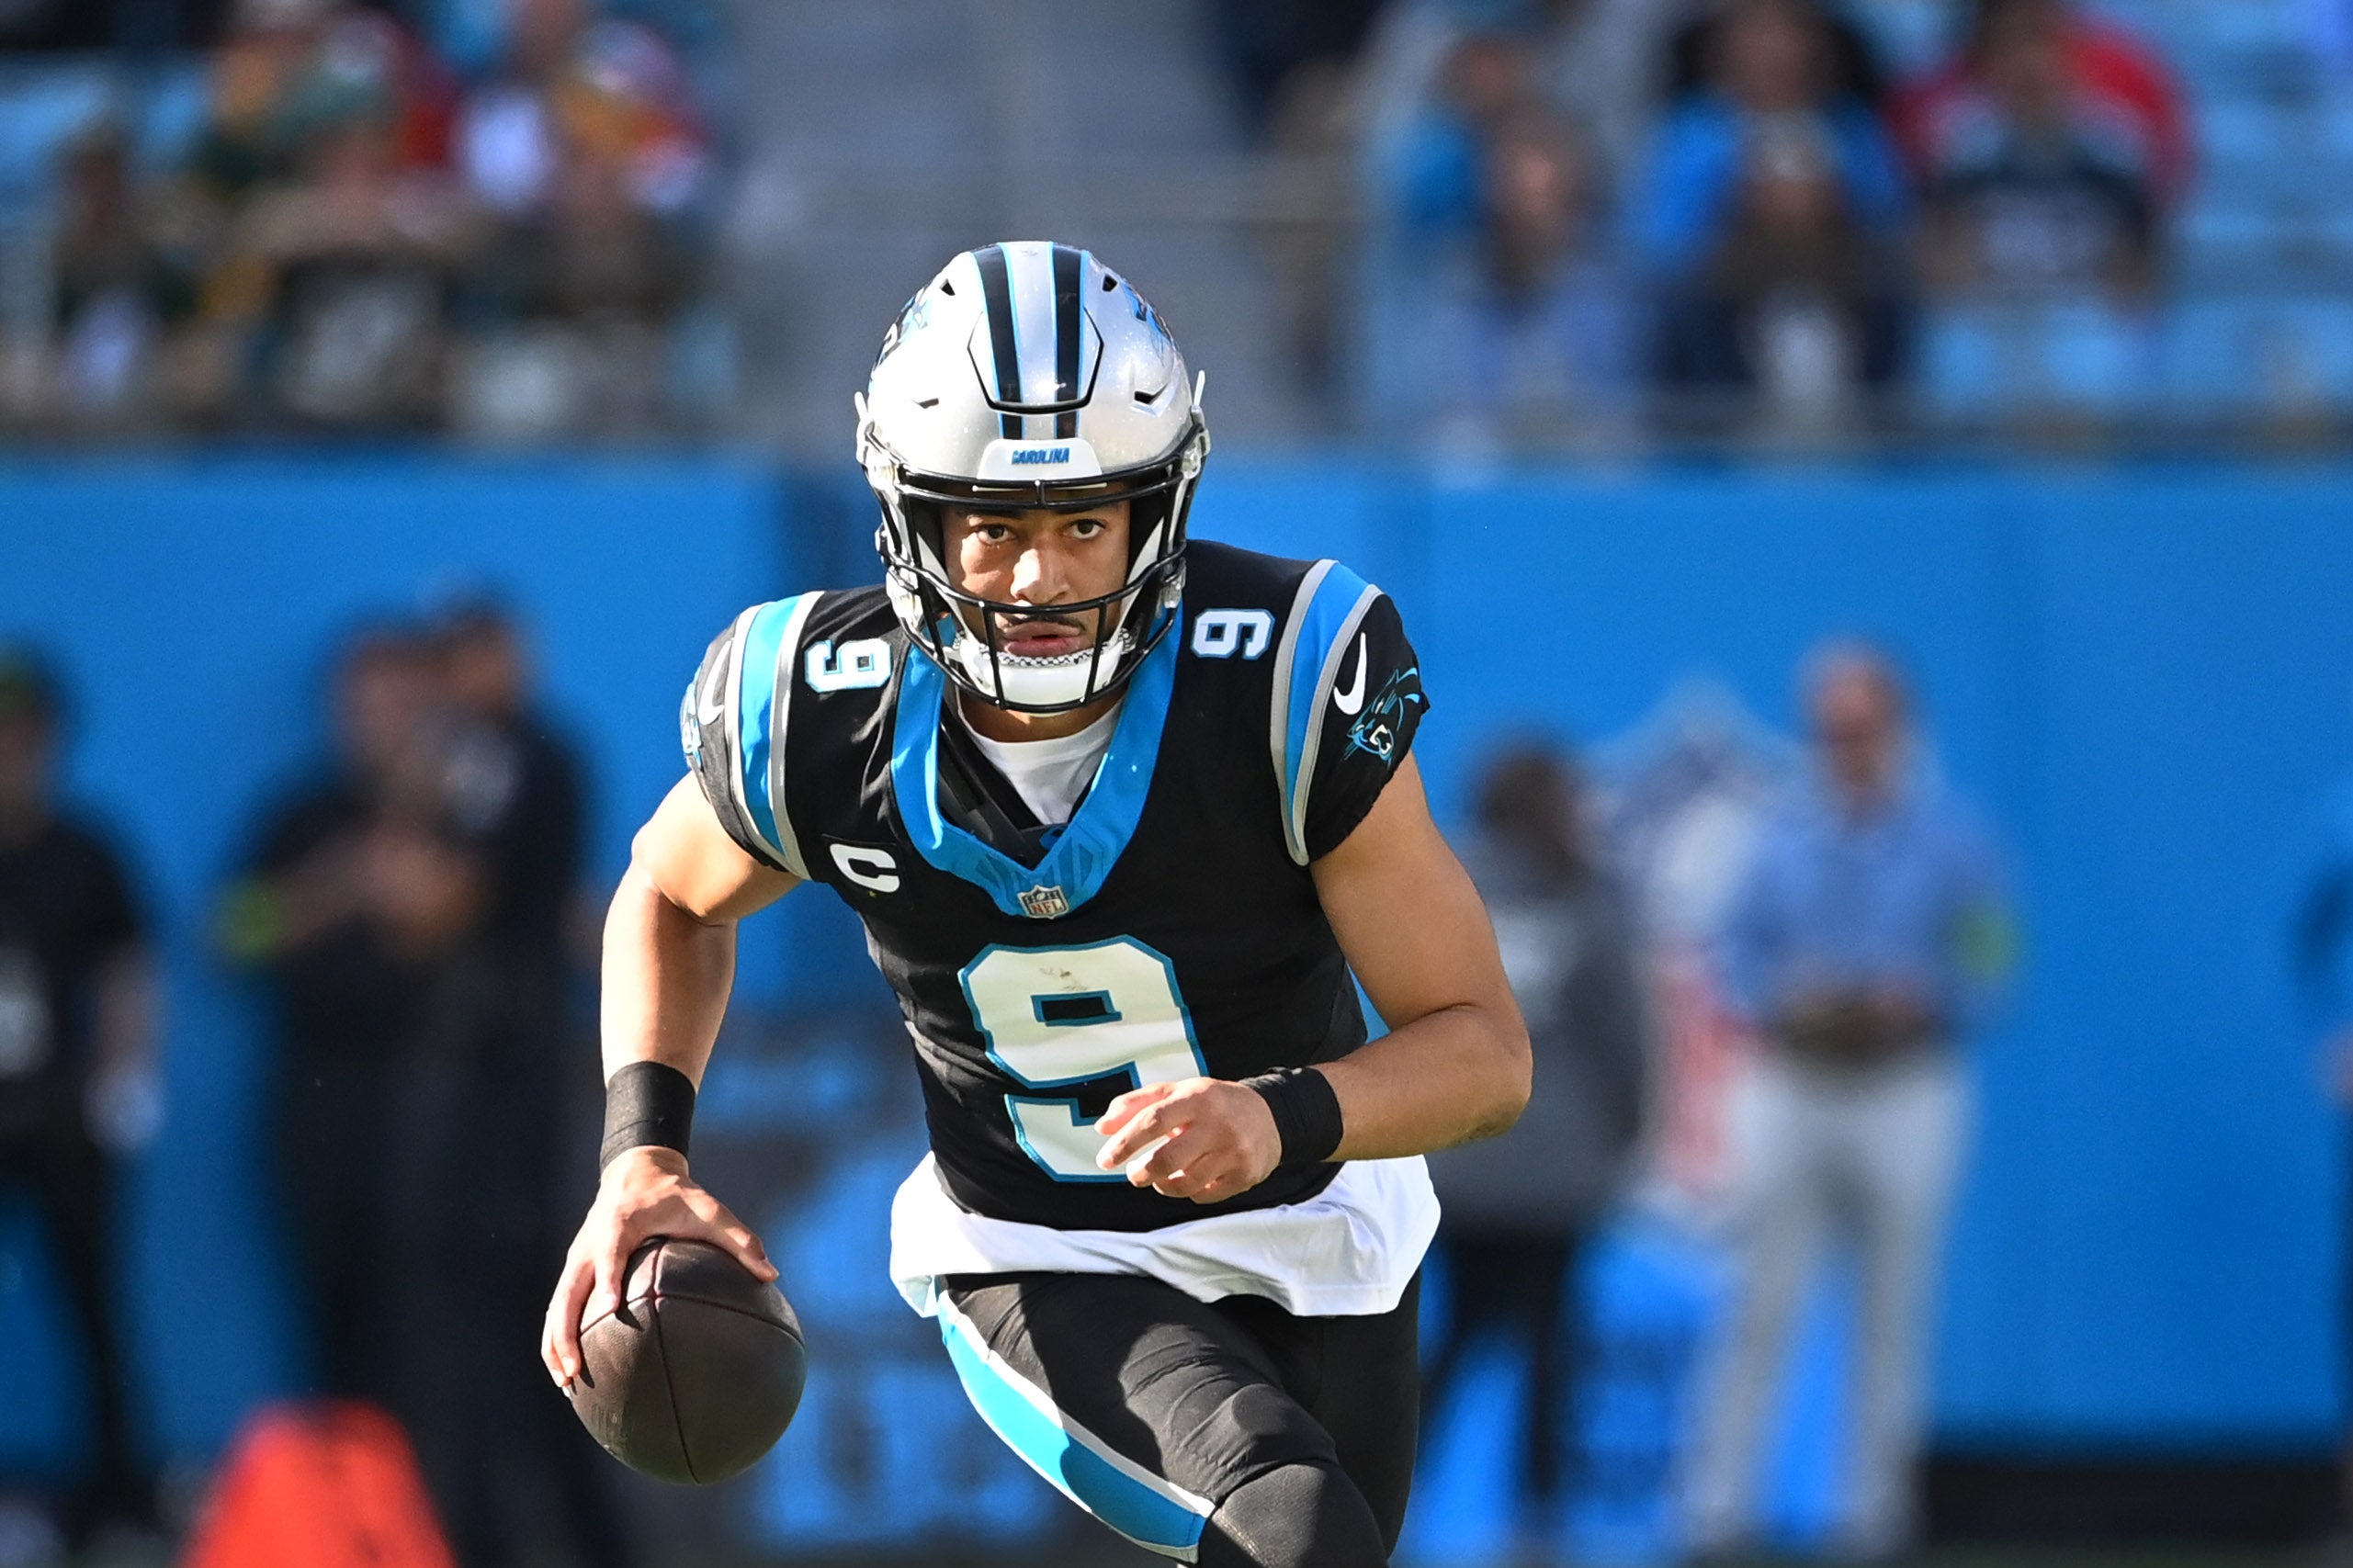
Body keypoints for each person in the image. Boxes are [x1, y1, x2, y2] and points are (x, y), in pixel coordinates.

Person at [542, 242, 1533, 1568]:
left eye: (1082, 520)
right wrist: (641, 1157)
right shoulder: (824, 709)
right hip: (1042, 1245)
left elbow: (1485, 1052)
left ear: (1155, 511)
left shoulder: (1283, 677)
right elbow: (669, 893)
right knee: (1293, 1526)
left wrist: (1284, 1109)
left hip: (1328, 1233)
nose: (1037, 574)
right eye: (994, 522)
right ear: (913, 517)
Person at [1682, 643, 2011, 1562]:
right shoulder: (1779, 829)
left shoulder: (1956, 837)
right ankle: (1716, 1514)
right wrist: (1781, 998)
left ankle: (1870, 1519)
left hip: (1907, 1087)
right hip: (1793, 1081)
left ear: (1898, 728)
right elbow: (1729, 953)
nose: (1843, 747)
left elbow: (1992, 965)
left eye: (1859, 729)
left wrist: (1925, 998)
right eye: (1828, 730)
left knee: (1890, 1309)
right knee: (1756, 1302)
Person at [1421, 743, 1652, 1559]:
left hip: (1462, 1160)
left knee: (1451, 1339)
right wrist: (1620, 1139)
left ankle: (1382, 1506)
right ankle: (1538, 1523)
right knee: (1551, 1351)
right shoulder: (1585, 894)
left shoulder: (1446, 883)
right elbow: (1624, 1038)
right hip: (1557, 1172)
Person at [0, 649, 162, 1548]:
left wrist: (124, 1079)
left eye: (23, 736)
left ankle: (117, 1497)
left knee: (94, 1310)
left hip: (62, 1118)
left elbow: (128, 971)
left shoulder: (84, 851)